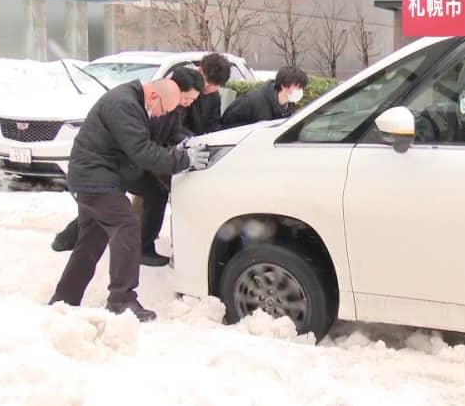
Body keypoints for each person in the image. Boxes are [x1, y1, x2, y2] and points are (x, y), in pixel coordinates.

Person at [49, 77, 210, 322]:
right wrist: (183, 160)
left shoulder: (130, 100)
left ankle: (64, 299)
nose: (159, 116)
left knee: (91, 241)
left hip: (95, 178)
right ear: (154, 96)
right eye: (163, 110)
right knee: (127, 225)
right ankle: (121, 300)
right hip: (94, 179)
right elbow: (141, 151)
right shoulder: (124, 105)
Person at [220, 66, 308, 129]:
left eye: (302, 87)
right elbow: (228, 123)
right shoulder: (253, 100)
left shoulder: (289, 106)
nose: (300, 91)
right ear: (284, 85)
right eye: (297, 86)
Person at [180, 53, 232, 136]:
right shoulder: (184, 87)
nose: (207, 87)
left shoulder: (214, 96)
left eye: (213, 85)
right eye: (207, 81)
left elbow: (214, 123)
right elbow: (177, 126)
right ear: (200, 70)